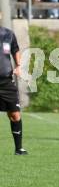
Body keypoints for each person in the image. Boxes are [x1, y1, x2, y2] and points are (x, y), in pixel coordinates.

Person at [0, 26, 28, 155]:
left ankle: (19, 148)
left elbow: (15, 50)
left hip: (6, 81)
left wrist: (18, 66)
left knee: (15, 115)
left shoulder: (8, 34)